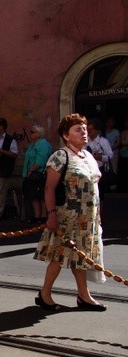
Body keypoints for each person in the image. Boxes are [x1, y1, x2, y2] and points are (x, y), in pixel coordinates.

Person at [33, 113, 106, 312]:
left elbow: (95, 188)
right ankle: (45, 294)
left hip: (88, 219)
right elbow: (49, 188)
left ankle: (84, 296)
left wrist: (98, 215)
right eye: (78, 129)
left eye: (84, 128)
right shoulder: (60, 156)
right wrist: (51, 214)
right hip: (68, 217)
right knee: (58, 256)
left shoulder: (88, 155)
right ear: (66, 135)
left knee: (81, 258)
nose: (84, 132)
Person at [22, 125, 52, 224]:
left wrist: (31, 170)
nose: (31, 134)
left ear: (39, 134)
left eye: (33, 132)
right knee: (33, 195)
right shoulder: (32, 144)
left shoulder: (43, 144)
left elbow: (41, 160)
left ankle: (43, 215)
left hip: (39, 173)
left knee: (41, 195)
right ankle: (36, 215)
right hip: (31, 173)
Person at [85, 119, 114, 203]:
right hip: (86, 170)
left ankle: (99, 214)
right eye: (88, 130)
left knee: (99, 194)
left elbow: (110, 155)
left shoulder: (103, 141)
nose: (89, 132)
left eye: (91, 129)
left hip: (99, 169)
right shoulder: (84, 141)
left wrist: (101, 157)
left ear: (96, 130)